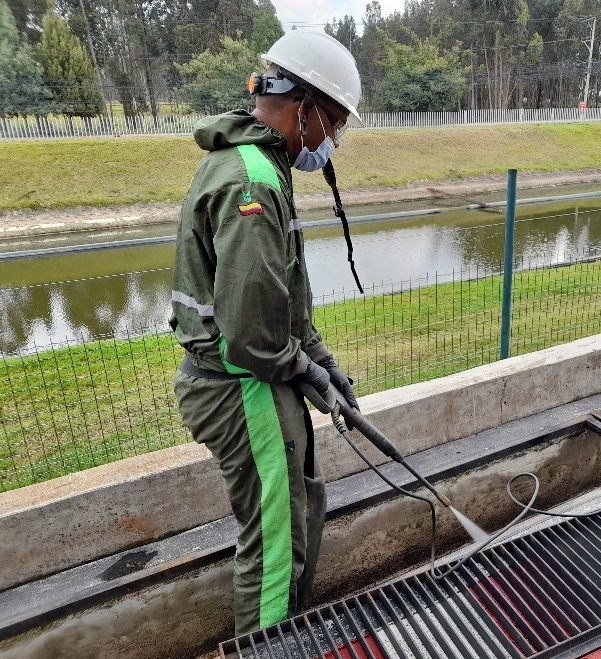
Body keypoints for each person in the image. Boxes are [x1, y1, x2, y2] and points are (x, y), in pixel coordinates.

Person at [170, 30, 362, 636]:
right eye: (333, 125)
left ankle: (287, 633)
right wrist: (300, 371)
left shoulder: (261, 165)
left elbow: (283, 302)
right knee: (276, 545)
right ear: (303, 108)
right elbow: (252, 336)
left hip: (254, 382)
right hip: (240, 387)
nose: (332, 142)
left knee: (298, 513)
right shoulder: (251, 181)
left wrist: (323, 362)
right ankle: (269, 648)